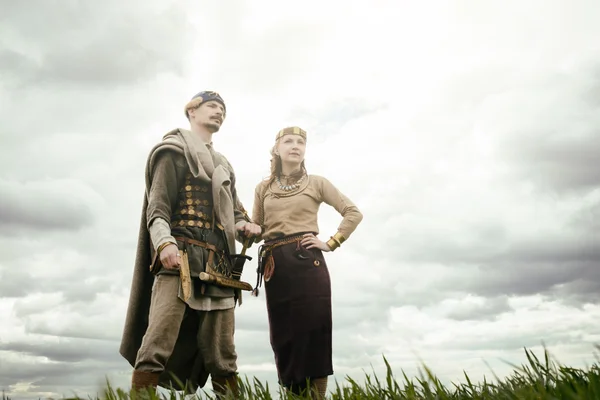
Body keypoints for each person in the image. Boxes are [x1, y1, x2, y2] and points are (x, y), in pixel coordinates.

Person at [119, 91, 262, 397]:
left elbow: (234, 213)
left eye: (223, 109)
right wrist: (163, 243)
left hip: (219, 266)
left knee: (224, 354)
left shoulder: (224, 165)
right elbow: (157, 208)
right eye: (212, 106)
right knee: (157, 342)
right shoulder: (172, 151)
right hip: (178, 259)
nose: (219, 112)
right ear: (192, 111)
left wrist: (245, 226)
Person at [250, 126, 363, 398]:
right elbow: (256, 228)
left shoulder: (317, 182)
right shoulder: (263, 188)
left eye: (300, 142)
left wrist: (331, 242)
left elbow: (353, 213)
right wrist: (242, 226)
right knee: (284, 338)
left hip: (307, 261)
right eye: (288, 141)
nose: (295, 145)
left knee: (314, 334)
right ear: (276, 149)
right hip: (275, 266)